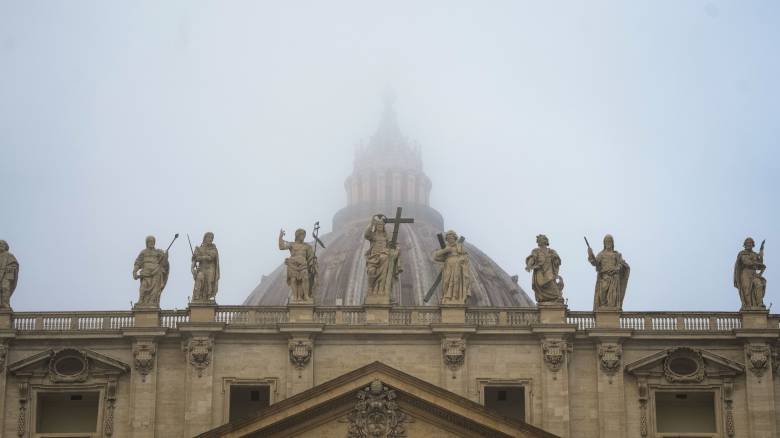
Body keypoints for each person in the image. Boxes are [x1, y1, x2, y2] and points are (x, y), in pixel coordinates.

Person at [588, 235, 630, 310]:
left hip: (614, 278)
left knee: (612, 297)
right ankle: (603, 307)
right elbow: (595, 262)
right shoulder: (601, 254)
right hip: (604, 277)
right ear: (604, 243)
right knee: (602, 294)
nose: (608, 243)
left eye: (610, 241)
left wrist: (617, 268)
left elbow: (622, 264)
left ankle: (611, 310)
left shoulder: (616, 254)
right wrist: (590, 254)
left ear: (612, 243)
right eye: (606, 241)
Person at [433, 230, 471, 304]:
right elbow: (435, 256)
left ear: (455, 238)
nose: (450, 240)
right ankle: (446, 297)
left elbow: (465, 256)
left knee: (456, 281)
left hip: (458, 266)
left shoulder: (459, 246)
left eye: (451, 238)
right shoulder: (446, 247)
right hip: (448, 266)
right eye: (448, 239)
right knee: (446, 282)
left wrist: (461, 260)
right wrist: (445, 250)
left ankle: (455, 298)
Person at [525, 235, 564, 304]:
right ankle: (545, 299)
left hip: (549, 271)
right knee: (541, 284)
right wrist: (529, 265)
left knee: (551, 284)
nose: (539, 241)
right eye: (538, 240)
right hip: (540, 271)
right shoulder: (536, 251)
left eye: (541, 239)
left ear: (545, 241)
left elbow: (556, 259)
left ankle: (556, 297)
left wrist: (556, 261)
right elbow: (532, 258)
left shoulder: (551, 251)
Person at [279, 228, 316, 303]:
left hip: (303, 265)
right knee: (293, 280)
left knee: (305, 278)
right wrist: (280, 237)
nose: (303, 237)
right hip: (292, 264)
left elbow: (310, 257)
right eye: (302, 235)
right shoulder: (292, 244)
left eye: (304, 235)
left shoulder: (307, 246)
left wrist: (312, 263)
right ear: (298, 235)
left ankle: (306, 296)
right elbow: (281, 247)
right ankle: (295, 297)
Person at [132, 236, 169, 307]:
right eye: (149, 241)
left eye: (153, 241)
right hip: (145, 273)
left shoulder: (158, 252)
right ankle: (141, 300)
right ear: (147, 243)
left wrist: (166, 255)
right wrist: (134, 271)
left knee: (155, 289)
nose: (151, 243)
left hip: (156, 272)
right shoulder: (143, 252)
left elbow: (164, 262)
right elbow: (138, 262)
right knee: (143, 286)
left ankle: (152, 301)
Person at [733, 237, 766, 309]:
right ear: (745, 245)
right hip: (745, 273)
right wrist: (756, 263)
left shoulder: (755, 254)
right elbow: (745, 262)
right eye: (747, 243)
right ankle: (748, 306)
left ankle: (759, 304)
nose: (749, 244)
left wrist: (761, 253)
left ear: (753, 245)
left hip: (754, 273)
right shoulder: (742, 253)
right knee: (746, 290)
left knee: (759, 285)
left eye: (750, 243)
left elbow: (760, 263)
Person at [191, 232, 220, 303]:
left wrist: (200, 257)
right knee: (199, 278)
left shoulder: (213, 249)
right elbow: (194, 260)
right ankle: (197, 297)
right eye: (209, 237)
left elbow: (211, 258)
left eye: (212, 238)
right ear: (205, 238)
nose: (210, 239)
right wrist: (193, 269)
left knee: (209, 283)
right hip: (202, 268)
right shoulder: (198, 248)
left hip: (210, 268)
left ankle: (207, 298)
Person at [0, 240, 19, 308]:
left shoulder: (9, 255)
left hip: (6, 275)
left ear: (6, 246)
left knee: (5, 288)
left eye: (2, 244)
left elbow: (14, 264)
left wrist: (11, 268)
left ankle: (5, 304)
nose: (0, 245)